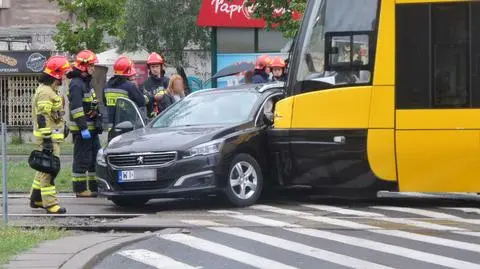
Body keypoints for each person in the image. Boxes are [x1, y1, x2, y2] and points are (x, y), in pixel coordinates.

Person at [29, 55, 72, 214]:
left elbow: (53, 115)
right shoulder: (46, 92)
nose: (65, 77)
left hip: (52, 137)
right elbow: (42, 117)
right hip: (48, 139)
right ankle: (50, 204)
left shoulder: (48, 90)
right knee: (49, 170)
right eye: (64, 73)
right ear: (57, 75)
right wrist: (47, 139)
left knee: (43, 168)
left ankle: (36, 198)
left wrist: (63, 127)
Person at [67, 49, 102, 198]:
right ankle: (80, 189)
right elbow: (77, 109)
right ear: (83, 66)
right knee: (82, 159)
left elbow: (92, 104)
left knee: (94, 159)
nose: (93, 68)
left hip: (91, 128)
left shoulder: (86, 83)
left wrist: (98, 119)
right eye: (91, 65)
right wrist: (83, 128)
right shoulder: (76, 84)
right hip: (83, 130)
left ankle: (95, 188)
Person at [103, 56, 147, 129]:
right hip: (127, 126)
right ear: (128, 70)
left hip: (111, 127)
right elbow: (142, 102)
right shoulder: (129, 86)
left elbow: (105, 102)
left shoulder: (106, 86)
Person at [141, 52, 170, 118]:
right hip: (153, 119)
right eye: (152, 67)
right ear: (149, 68)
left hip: (167, 116)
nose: (155, 69)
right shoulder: (146, 83)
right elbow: (144, 100)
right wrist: (154, 98)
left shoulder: (168, 81)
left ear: (161, 67)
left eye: (157, 66)